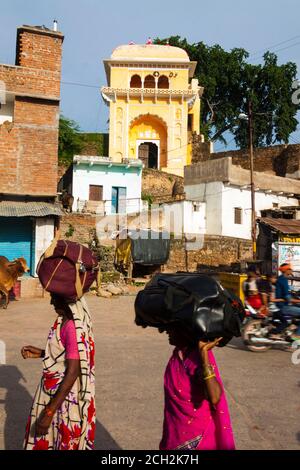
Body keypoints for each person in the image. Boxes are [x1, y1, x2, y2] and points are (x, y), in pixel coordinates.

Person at [22, 293, 96, 450]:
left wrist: (49, 413)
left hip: (63, 402)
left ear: (68, 300)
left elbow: (73, 372)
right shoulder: (64, 321)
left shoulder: (72, 328)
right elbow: (69, 356)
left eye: (55, 297)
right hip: (57, 396)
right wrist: (44, 353)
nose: (51, 302)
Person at [159, 324, 235, 450]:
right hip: (176, 430)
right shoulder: (179, 353)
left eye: (172, 328)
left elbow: (215, 397)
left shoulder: (196, 358)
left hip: (197, 438)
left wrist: (204, 355)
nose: (166, 331)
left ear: (185, 332)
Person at [273, 263, 300, 341]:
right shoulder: (283, 280)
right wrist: (298, 300)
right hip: (283, 306)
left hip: (281, 305)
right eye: (289, 269)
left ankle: (293, 327)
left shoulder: (281, 278)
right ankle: (296, 335)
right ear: (286, 270)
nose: (291, 270)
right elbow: (288, 299)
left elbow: (287, 294)